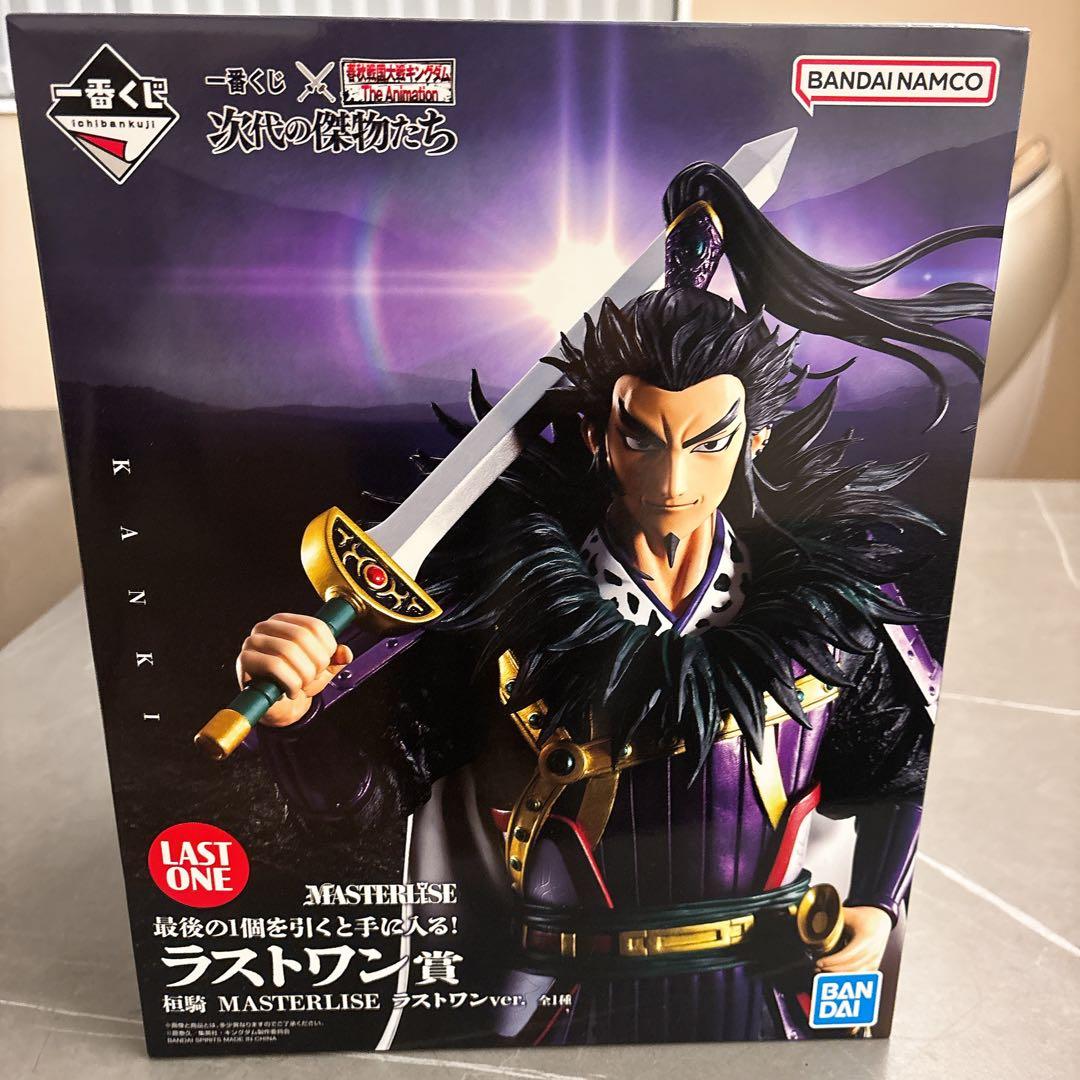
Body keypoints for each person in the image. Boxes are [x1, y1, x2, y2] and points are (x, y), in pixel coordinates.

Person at [234, 160, 995, 1043]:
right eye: (644, 439)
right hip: (554, 1004)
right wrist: (299, 721)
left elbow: (906, 773)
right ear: (598, 435)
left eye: (708, 443)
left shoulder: (829, 614)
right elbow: (362, 806)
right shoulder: (501, 610)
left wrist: (879, 904)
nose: (672, 481)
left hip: (767, 994)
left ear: (755, 439)